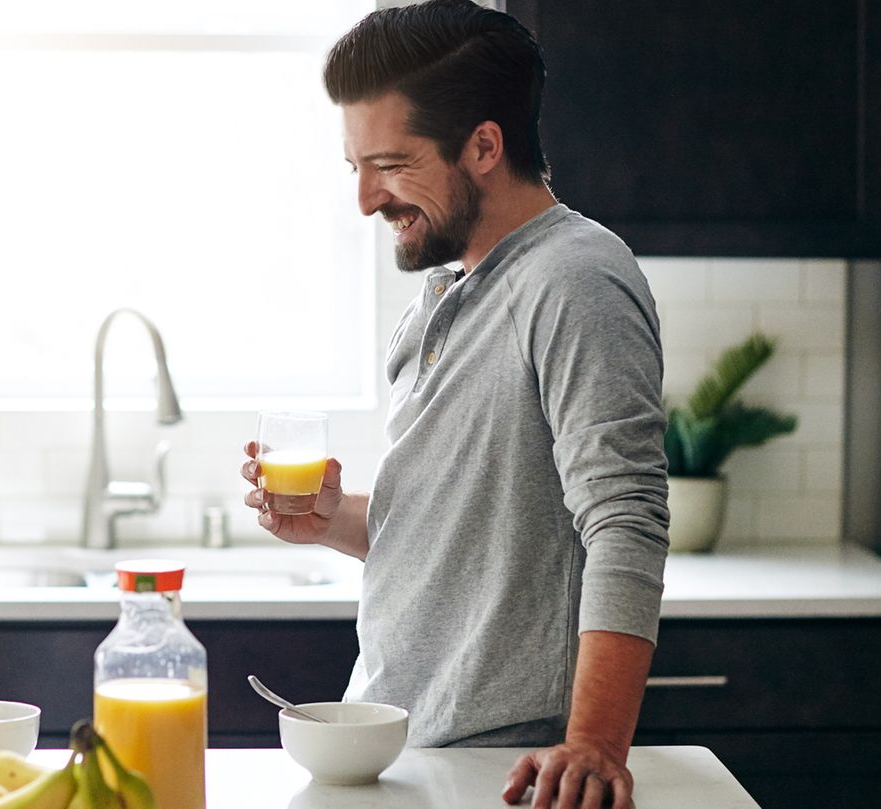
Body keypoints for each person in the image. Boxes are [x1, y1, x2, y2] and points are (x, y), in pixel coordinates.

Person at [241, 3, 668, 808]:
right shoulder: (446, 292)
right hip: (404, 746)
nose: (366, 199)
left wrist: (592, 746)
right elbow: (475, 533)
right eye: (355, 167)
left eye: (392, 165)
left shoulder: (574, 279)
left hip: (505, 769)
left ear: (483, 145)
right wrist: (335, 519)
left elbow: (626, 519)